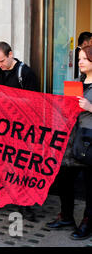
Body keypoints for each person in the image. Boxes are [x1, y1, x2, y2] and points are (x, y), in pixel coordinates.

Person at [0, 41, 39, 220]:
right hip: (0, 127)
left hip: (22, 128)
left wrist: (8, 98)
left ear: (10, 54)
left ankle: (25, 204)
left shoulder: (26, 73)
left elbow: (36, 101)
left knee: (22, 167)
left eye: (2, 61)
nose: (0, 65)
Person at [46, 45, 92, 241]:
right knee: (64, 180)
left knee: (90, 186)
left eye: (84, 59)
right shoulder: (77, 82)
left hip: (89, 139)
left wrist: (90, 106)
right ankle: (66, 216)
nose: (80, 62)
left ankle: (87, 223)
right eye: (79, 58)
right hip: (71, 139)